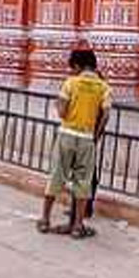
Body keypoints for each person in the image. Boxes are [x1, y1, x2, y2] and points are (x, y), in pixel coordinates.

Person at [37, 48, 111, 238]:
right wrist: (96, 135)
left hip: (67, 135)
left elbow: (61, 111)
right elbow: (105, 116)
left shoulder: (71, 83)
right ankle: (78, 226)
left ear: (77, 66)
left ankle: (45, 219)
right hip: (87, 139)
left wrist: (63, 107)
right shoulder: (103, 87)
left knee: (56, 175)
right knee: (83, 183)